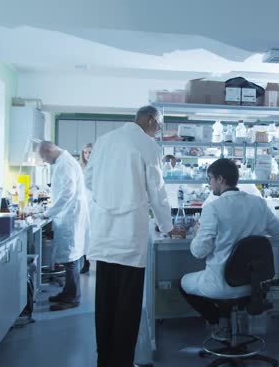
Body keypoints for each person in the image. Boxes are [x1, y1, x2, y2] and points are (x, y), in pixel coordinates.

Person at [85, 105, 186, 367]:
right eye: (160, 124)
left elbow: (89, 179)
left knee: (105, 303)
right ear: (151, 120)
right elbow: (157, 191)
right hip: (129, 235)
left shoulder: (105, 141)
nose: (159, 129)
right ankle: (122, 362)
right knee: (127, 305)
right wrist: (167, 226)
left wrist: (108, 197)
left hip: (104, 233)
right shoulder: (147, 145)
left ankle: (105, 360)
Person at [179, 158, 279, 337]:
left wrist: (198, 232)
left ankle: (218, 322)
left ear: (220, 179)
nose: (210, 185)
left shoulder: (213, 208)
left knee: (183, 283)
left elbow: (198, 252)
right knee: (228, 287)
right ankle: (225, 321)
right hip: (253, 284)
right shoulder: (258, 203)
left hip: (220, 284)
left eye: (210, 179)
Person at [37, 141, 88, 311]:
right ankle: (67, 292)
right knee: (69, 259)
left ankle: (72, 298)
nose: (45, 161)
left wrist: (48, 213)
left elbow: (67, 192)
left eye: (44, 157)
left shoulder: (65, 163)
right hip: (69, 215)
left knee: (71, 259)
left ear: (49, 150)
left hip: (69, 216)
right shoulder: (64, 161)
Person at [78, 142, 94, 274]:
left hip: (95, 203)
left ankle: (98, 261)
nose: (87, 155)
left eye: (90, 152)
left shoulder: (99, 166)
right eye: (85, 152)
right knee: (84, 234)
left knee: (95, 234)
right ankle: (85, 262)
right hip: (84, 203)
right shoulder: (79, 167)